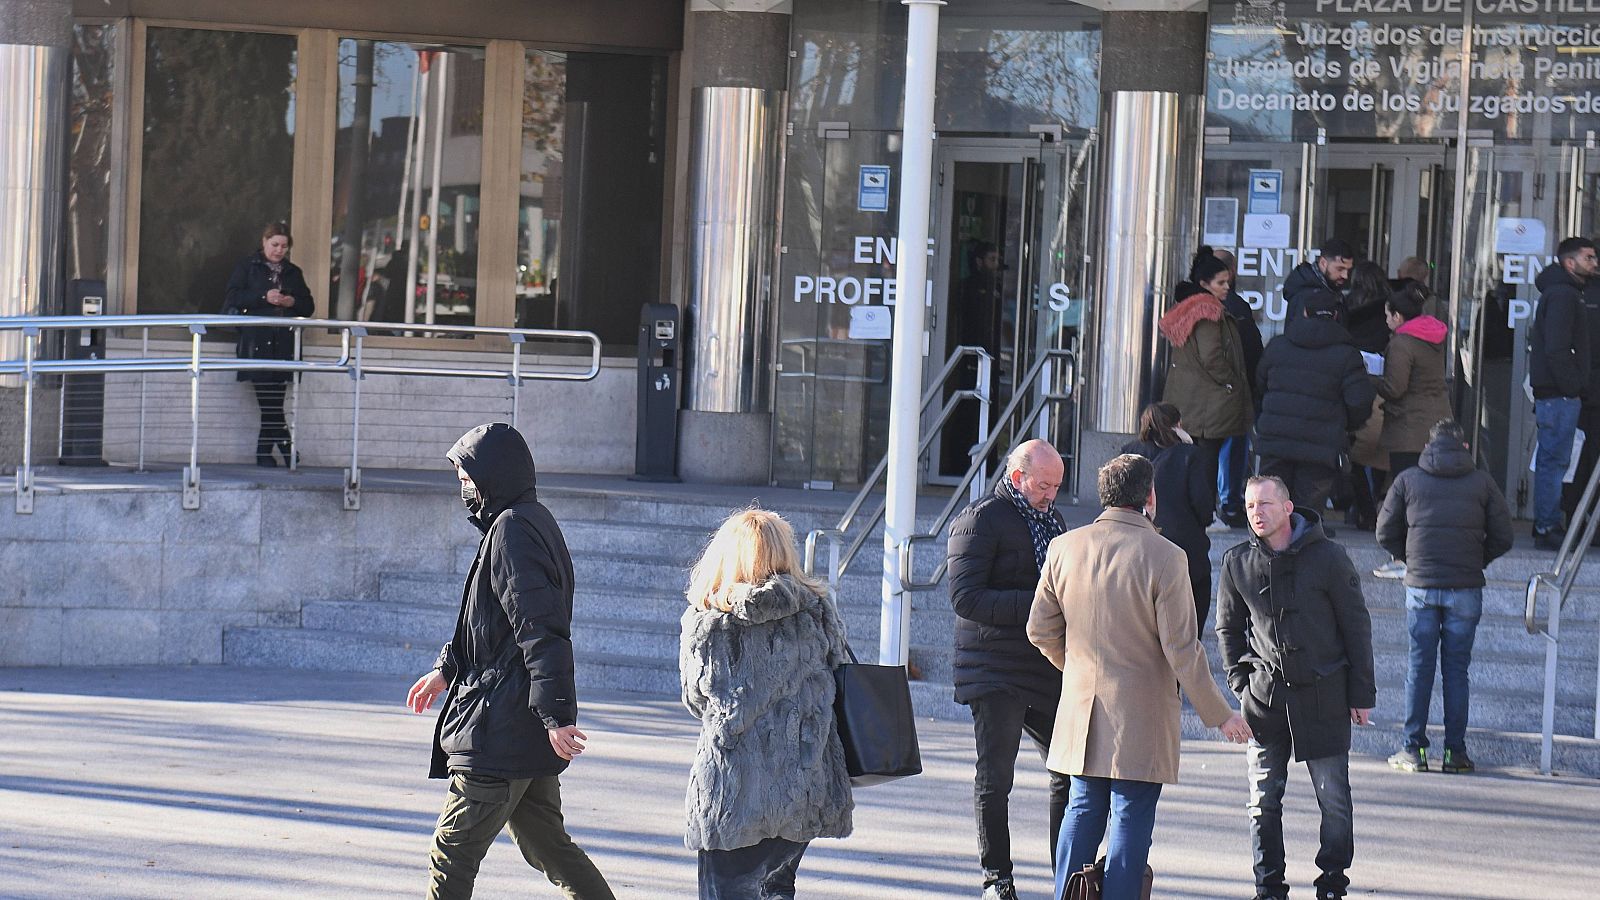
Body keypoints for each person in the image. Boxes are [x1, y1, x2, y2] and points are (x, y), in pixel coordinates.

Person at [405, 423, 615, 900]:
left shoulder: (513, 531)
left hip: (499, 729)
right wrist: (446, 669)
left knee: (452, 853)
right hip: (515, 726)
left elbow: (541, 628)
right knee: (549, 846)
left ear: (492, 476)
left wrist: (557, 714)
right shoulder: (525, 520)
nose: (462, 488)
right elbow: (490, 626)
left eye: (467, 479)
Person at [1028, 454, 1251, 900]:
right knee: (1130, 814)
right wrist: (1220, 713)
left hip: (1082, 709)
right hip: (1141, 711)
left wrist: (1073, 670)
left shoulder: (1064, 547)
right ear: (1150, 497)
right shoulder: (1167, 557)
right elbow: (1182, 649)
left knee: (1082, 807)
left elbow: (1039, 629)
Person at [680, 508, 853, 900]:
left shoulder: (710, 621)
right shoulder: (816, 609)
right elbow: (839, 672)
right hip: (804, 788)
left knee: (725, 891)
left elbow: (696, 699)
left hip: (736, 795)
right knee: (776, 888)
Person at [1216, 476, 1376, 900]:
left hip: (1324, 696)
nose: (1256, 513)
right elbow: (1227, 629)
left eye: (1265, 504)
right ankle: (1269, 888)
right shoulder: (1236, 562)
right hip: (1264, 700)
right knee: (1262, 801)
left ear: (1288, 508)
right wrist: (1239, 682)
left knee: (1334, 801)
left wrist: (1361, 696)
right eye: (1249, 506)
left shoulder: (1328, 557)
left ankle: (1332, 884)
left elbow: (1356, 627)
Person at [946, 439, 1071, 900]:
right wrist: (1039, 605)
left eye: (1057, 486)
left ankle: (1068, 875)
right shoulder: (981, 519)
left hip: (1044, 666)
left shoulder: (1054, 520)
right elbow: (965, 598)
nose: (1051, 495)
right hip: (993, 667)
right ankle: (997, 878)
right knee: (996, 778)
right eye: (1043, 485)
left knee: (1067, 771)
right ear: (1018, 477)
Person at [1377, 420, 1514, 775]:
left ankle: (1413, 751)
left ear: (1429, 446)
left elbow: (1384, 532)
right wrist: (1476, 560)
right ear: (1465, 447)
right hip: (1465, 587)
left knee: (1419, 668)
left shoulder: (1408, 479)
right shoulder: (1482, 481)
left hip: (1421, 586)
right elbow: (1504, 536)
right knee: (1457, 671)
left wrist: (1411, 560)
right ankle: (1455, 753)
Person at [1254, 291, 1376, 522]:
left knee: (1269, 510)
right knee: (1307, 515)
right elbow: (1360, 400)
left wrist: (1267, 418)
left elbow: (1259, 387)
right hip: (1321, 444)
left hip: (1276, 440)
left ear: (1304, 312)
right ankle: (1301, 553)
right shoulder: (1347, 354)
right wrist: (1345, 425)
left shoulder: (1278, 345)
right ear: (1336, 315)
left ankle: (1267, 556)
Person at [1159, 249, 1253, 515]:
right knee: (1206, 461)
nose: (1226, 288)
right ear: (1204, 285)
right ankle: (1205, 513)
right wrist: (1231, 383)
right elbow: (1213, 357)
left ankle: (1195, 510)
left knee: (1194, 459)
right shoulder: (1208, 312)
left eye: (1227, 282)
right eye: (1220, 283)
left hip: (1193, 399)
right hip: (1208, 402)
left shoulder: (1189, 309)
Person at [1370, 284, 1453, 578]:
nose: (1386, 321)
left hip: (1409, 427)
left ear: (1398, 316)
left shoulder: (1402, 343)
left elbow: (1395, 388)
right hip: (1435, 424)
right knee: (1427, 494)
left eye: (1388, 316)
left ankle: (1404, 559)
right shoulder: (1432, 336)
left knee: (1406, 494)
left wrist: (1368, 376)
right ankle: (1425, 554)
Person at [223, 222, 314, 467]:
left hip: (283, 344)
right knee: (270, 402)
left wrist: (290, 301)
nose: (279, 250)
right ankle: (288, 452)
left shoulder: (293, 272)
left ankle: (264, 455)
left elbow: (308, 306)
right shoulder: (248, 266)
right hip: (257, 344)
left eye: (284, 246)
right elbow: (233, 297)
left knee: (274, 402)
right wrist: (264, 297)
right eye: (275, 244)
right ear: (264, 242)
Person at [1122, 402, 1215, 634]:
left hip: (1136, 550)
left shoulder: (1127, 453)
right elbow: (1204, 509)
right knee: (1187, 631)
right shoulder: (1191, 455)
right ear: (1178, 425)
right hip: (1185, 552)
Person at [1531, 237, 1597, 549]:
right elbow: (1557, 348)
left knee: (1554, 460)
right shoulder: (1563, 296)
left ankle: (1546, 524)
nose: (1594, 263)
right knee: (1554, 461)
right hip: (1559, 394)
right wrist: (1573, 386)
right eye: (1588, 257)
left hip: (1558, 393)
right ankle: (1547, 527)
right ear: (1570, 263)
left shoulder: (1566, 293)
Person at [1212, 248, 1265, 528]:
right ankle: (1229, 506)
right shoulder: (1235, 307)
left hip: (1205, 396)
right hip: (1232, 390)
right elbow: (1251, 350)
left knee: (1210, 450)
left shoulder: (1196, 305)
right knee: (1232, 449)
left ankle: (1214, 505)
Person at [1341, 261, 1392, 532]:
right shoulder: (1388, 309)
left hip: (1353, 383)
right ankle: (1376, 502)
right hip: (1382, 386)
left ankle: (1362, 507)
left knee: (1355, 450)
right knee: (1380, 448)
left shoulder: (1349, 306)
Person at [1283, 238, 1355, 322]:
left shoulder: (1330, 291)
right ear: (1323, 263)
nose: (1345, 275)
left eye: (1348, 270)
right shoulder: (1308, 296)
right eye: (1340, 269)